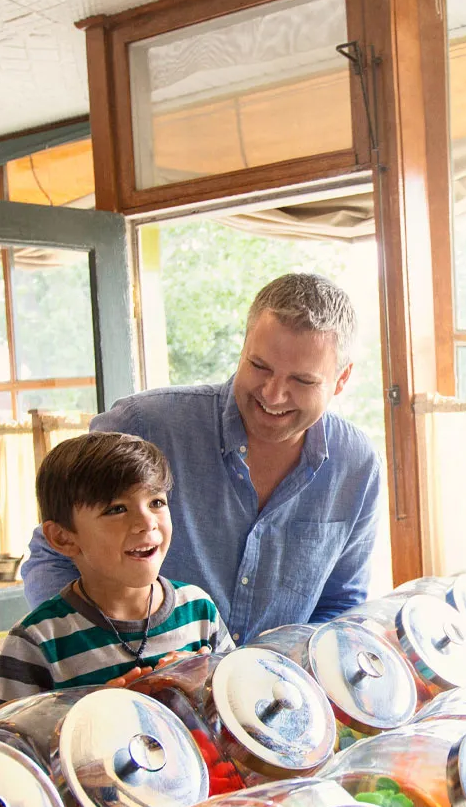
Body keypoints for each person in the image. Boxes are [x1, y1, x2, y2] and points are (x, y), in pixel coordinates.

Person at [22, 273, 381, 644]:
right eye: (260, 366)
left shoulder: (357, 465)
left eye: (303, 381)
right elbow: (53, 557)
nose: (273, 395)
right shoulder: (143, 425)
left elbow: (340, 604)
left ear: (341, 380)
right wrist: (99, 657)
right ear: (243, 349)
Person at [0, 432, 229, 711]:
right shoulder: (38, 642)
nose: (147, 522)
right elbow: (4, 743)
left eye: (156, 502)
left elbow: (234, 706)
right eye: (117, 509)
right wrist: (86, 718)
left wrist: (204, 688)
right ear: (63, 538)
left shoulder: (199, 609)